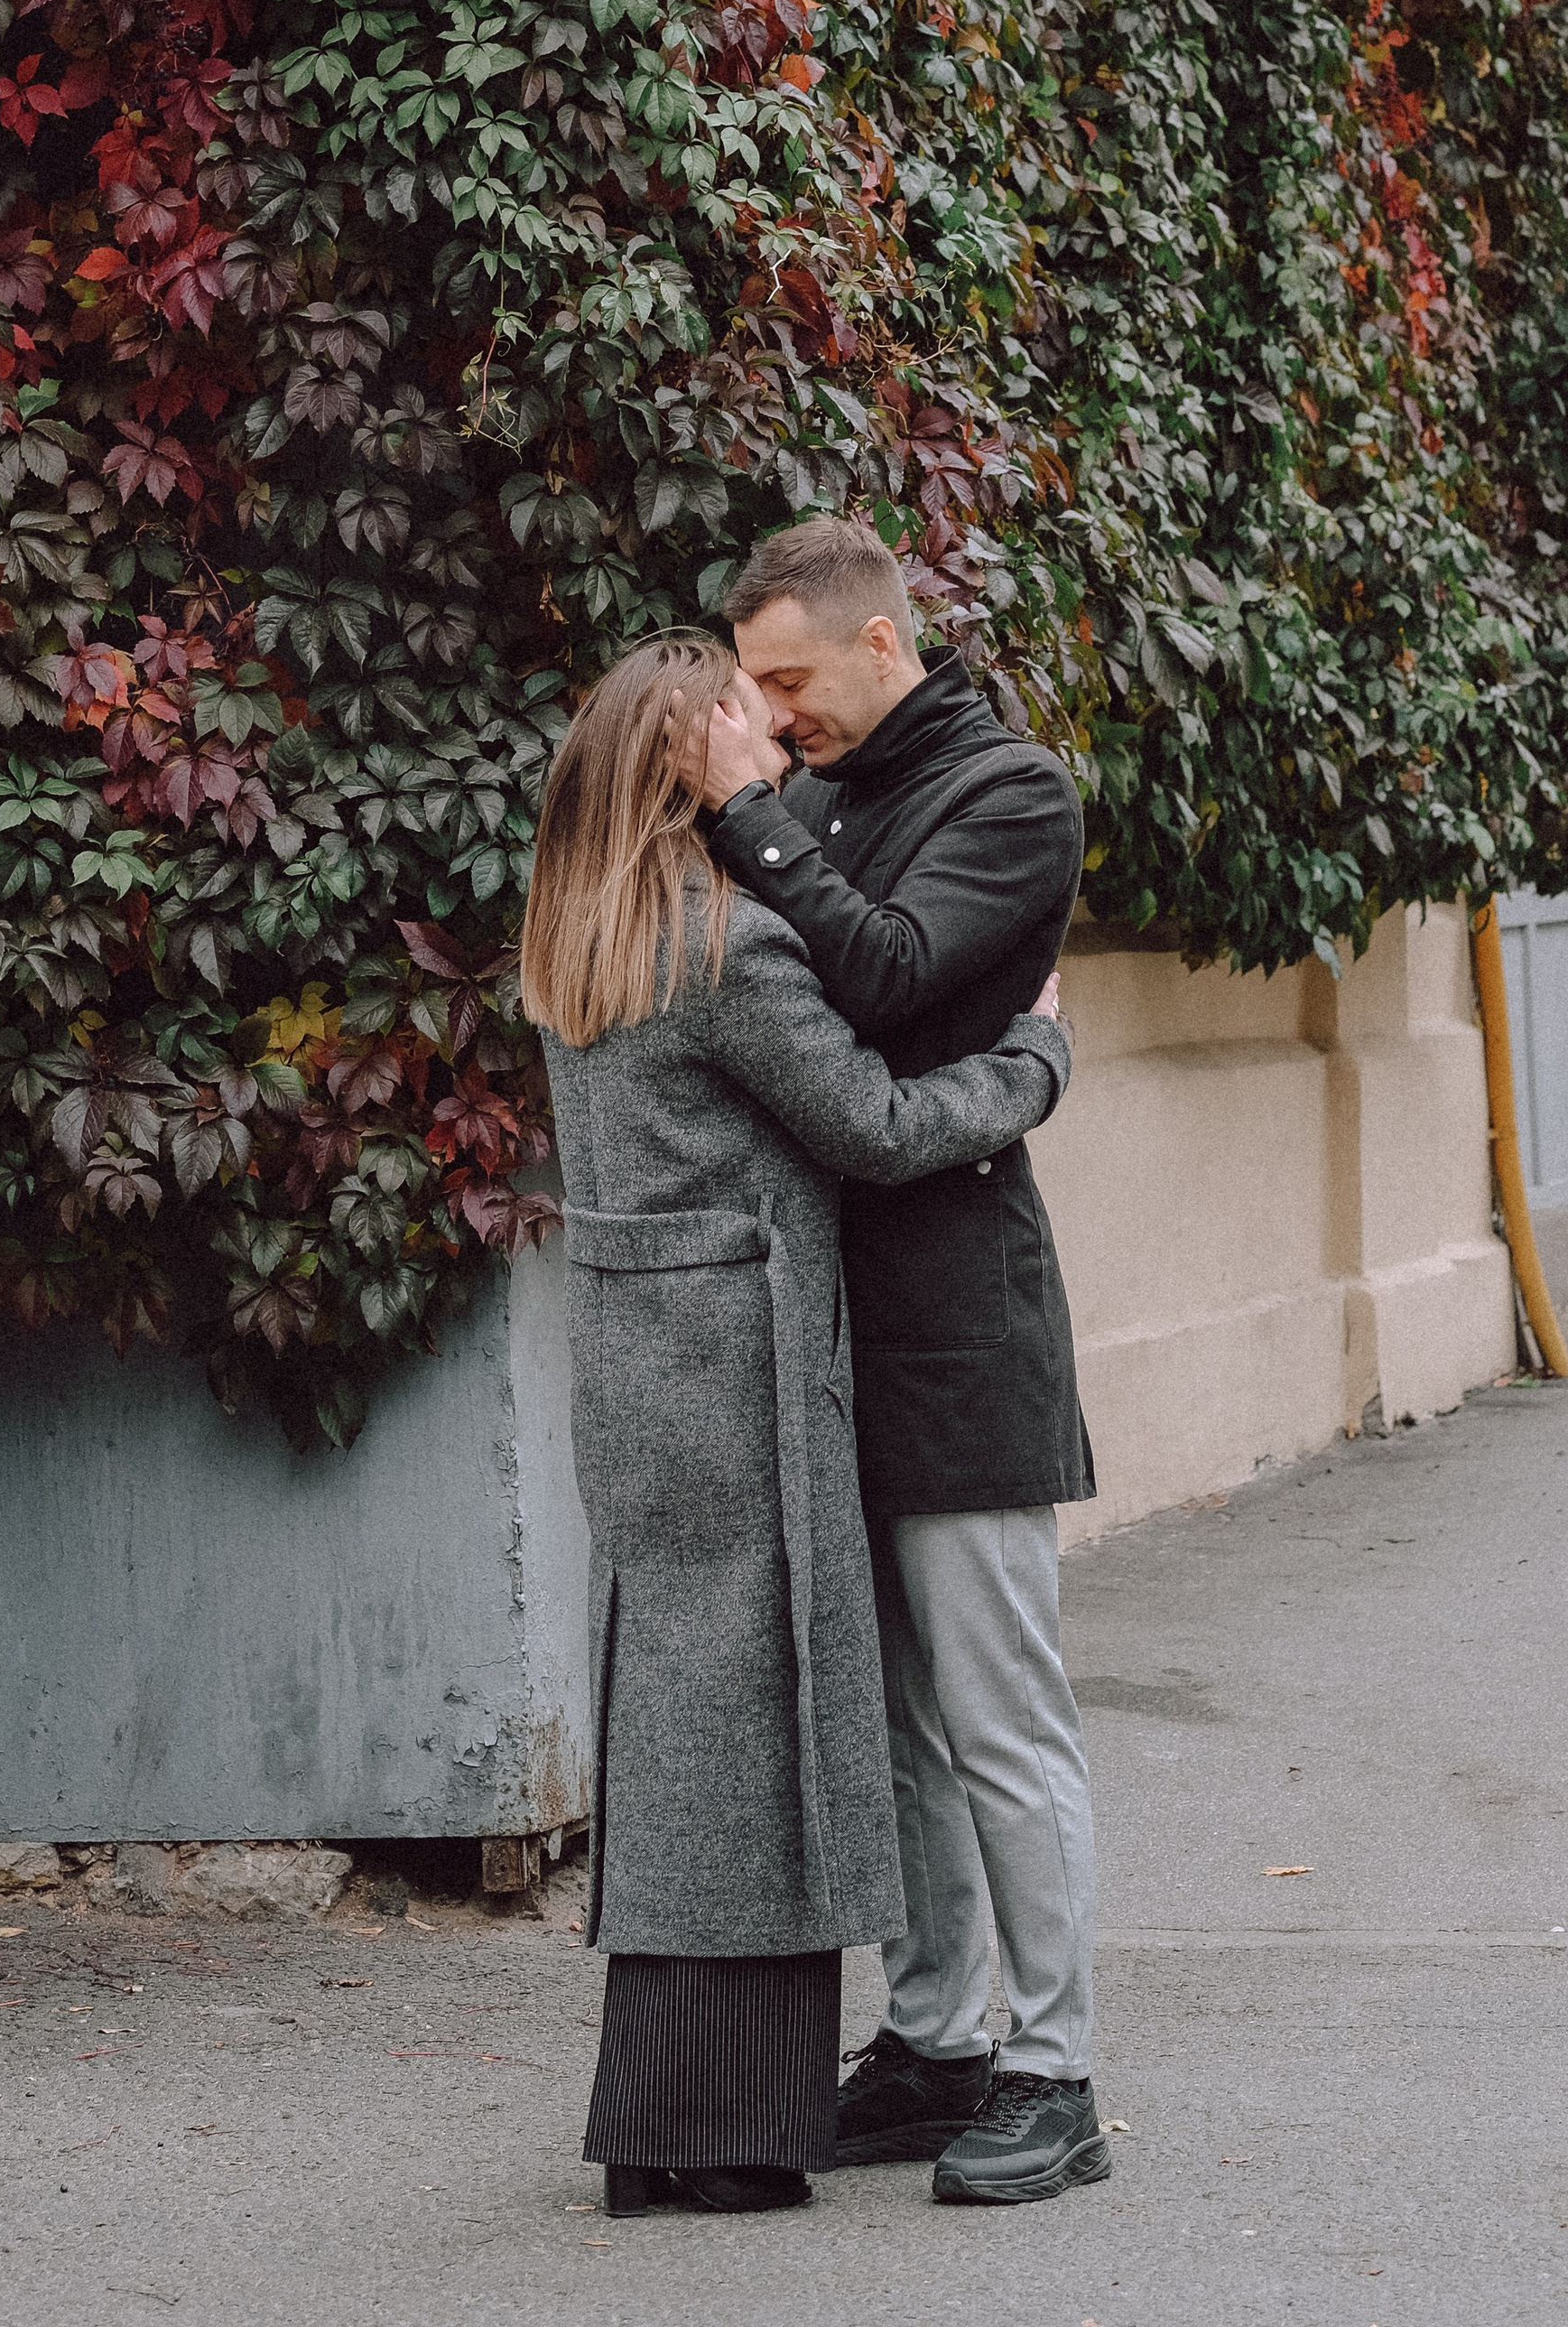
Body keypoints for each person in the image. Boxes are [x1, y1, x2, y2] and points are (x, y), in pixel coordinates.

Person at [521, 629, 1072, 2220]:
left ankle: (691, 2113)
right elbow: (882, 1126)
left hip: (641, 1366)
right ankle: (724, 2124)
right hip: (744, 1365)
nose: (773, 751)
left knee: (685, 1712)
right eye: (739, 735)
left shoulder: (577, 938)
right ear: (686, 770)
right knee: (758, 1729)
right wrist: (1033, 1057)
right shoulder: (725, 950)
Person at [697, 516, 1108, 2207]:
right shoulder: (825, 793)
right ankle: (938, 2042)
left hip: (960, 1324)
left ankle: (1057, 2071)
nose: (771, 720)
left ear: (882, 644)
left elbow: (875, 988)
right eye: (753, 694)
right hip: (828, 1323)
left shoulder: (1013, 798)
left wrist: (743, 815)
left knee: (1004, 1717)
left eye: (790, 682)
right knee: (904, 1731)